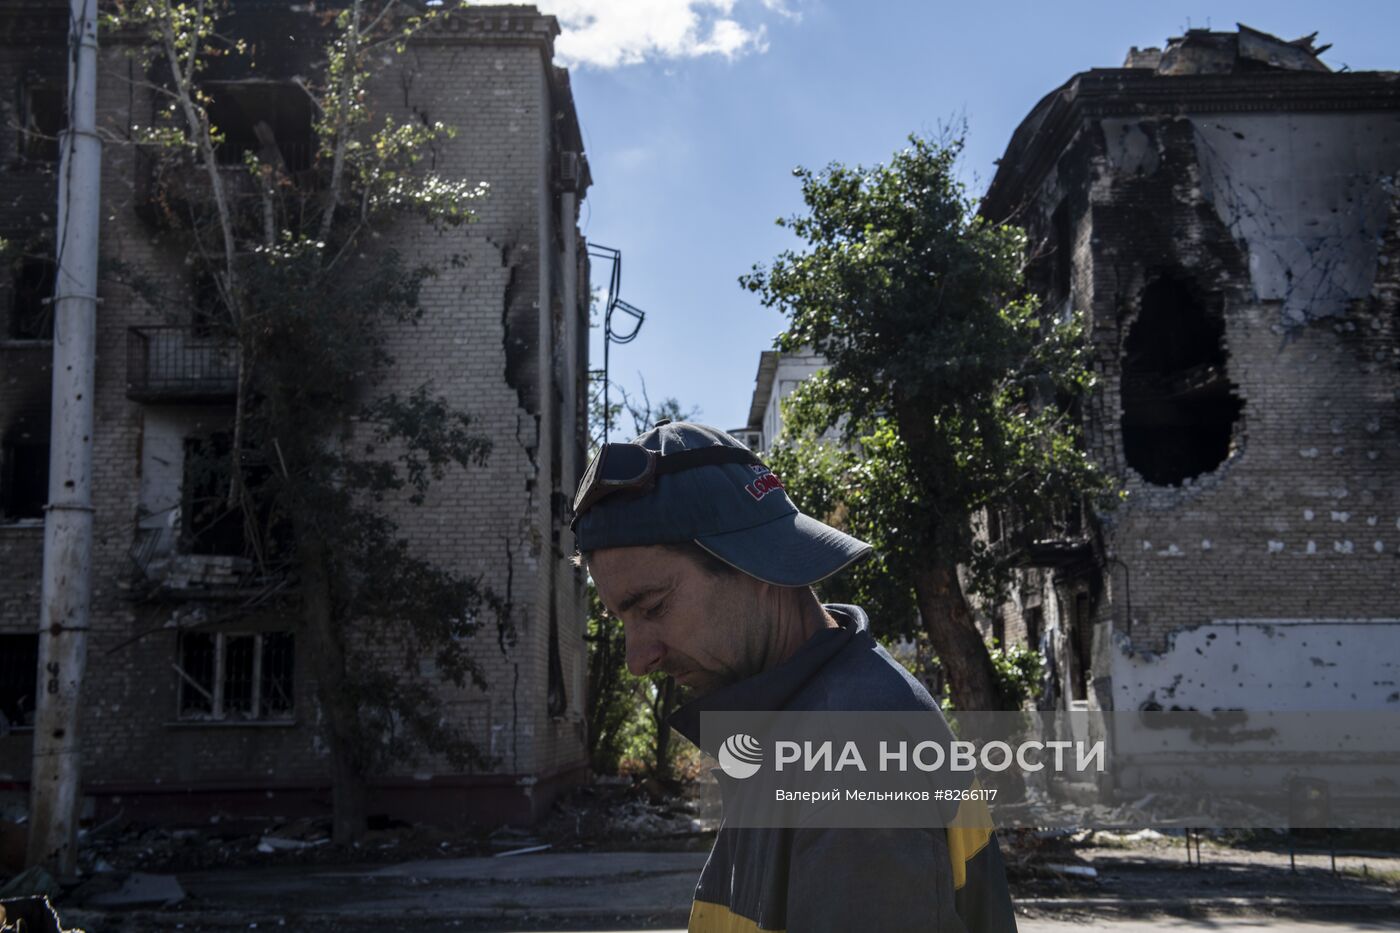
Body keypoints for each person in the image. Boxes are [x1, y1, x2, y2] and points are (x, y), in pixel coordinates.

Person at [571, 420, 1017, 932]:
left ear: (757, 566)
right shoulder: (799, 722)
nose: (636, 658)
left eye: (652, 607)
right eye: (619, 620)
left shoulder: (852, 753)